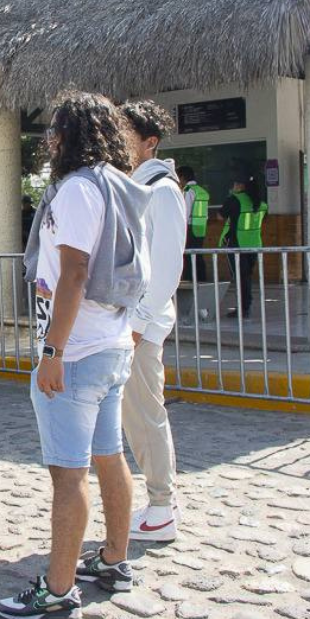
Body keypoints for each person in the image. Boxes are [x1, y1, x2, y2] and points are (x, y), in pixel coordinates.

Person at [2, 92, 149, 619]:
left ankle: (59, 588)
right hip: (109, 345)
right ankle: (113, 560)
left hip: (79, 353)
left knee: (69, 476)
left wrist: (51, 353)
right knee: (110, 457)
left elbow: (76, 275)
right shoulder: (114, 185)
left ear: (68, 134)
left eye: (54, 128)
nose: (49, 137)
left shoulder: (76, 191)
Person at [117, 100, 186, 543]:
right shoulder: (139, 185)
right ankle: (157, 504)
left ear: (149, 142)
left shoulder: (161, 190)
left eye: (126, 135)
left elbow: (165, 268)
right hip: (131, 322)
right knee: (135, 414)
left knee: (144, 415)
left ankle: (161, 506)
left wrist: (139, 323)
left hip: (141, 324)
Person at [218, 172, 266, 319]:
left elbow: (220, 216)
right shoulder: (260, 203)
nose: (233, 187)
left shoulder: (234, 200)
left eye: (235, 184)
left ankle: (243, 308)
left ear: (240, 185)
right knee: (246, 277)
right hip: (254, 245)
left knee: (240, 277)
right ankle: (246, 306)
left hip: (237, 244)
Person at [177, 166, 209, 282]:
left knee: (189, 258)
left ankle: (191, 281)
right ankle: (202, 280)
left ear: (182, 177)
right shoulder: (201, 191)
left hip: (189, 228)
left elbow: (184, 212)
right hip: (201, 228)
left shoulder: (188, 191)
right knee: (199, 256)